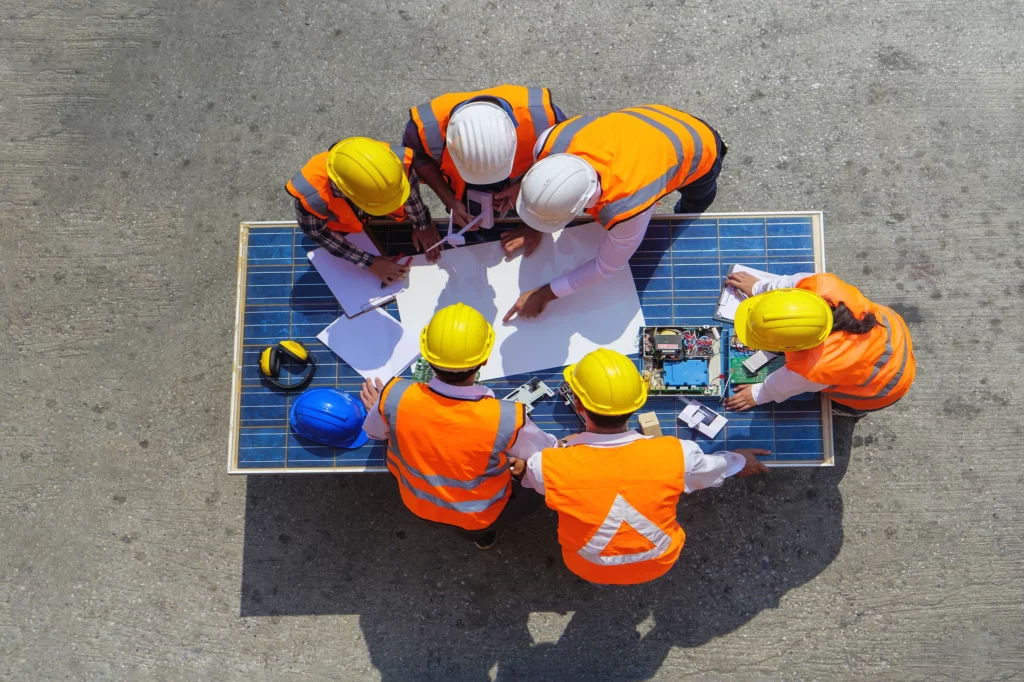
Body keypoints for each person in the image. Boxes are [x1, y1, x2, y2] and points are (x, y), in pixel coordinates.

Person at [512, 348, 770, 586]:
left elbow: (532, 477)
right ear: (639, 403)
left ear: (577, 405)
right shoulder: (677, 455)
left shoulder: (547, 465)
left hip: (587, 566)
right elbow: (717, 469)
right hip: (659, 563)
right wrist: (741, 459)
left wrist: (563, 450)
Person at [359, 303, 558, 549]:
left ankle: (478, 535)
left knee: (464, 525)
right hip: (478, 513)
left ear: (427, 357)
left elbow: (375, 432)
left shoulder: (395, 396)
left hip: (418, 502)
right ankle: (479, 534)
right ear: (484, 360)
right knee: (529, 499)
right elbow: (548, 453)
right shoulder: (504, 418)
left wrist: (382, 407)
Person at [501, 105, 726, 322]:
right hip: (652, 117)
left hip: (698, 143)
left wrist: (545, 294)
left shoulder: (628, 209)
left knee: (698, 198)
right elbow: (548, 182)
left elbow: (604, 267)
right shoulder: (549, 143)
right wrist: (534, 220)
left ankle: (686, 214)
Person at [721, 271, 916, 417]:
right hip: (894, 336)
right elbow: (786, 285)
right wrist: (758, 288)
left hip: (883, 389)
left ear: (791, 347)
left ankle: (850, 412)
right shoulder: (821, 286)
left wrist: (756, 394)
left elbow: (784, 385)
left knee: (842, 400)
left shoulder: (816, 367)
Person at [403, 85, 568, 228]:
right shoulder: (423, 128)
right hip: (461, 194)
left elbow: (559, 161)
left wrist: (524, 187)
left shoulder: (546, 117)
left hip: (518, 185)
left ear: (513, 136)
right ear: (451, 142)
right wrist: (449, 200)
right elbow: (419, 158)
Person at [286, 137, 444, 283]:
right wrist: (370, 263)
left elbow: (407, 192)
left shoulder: (393, 164)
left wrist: (423, 224)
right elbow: (317, 232)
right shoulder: (311, 195)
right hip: (343, 230)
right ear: (348, 194)